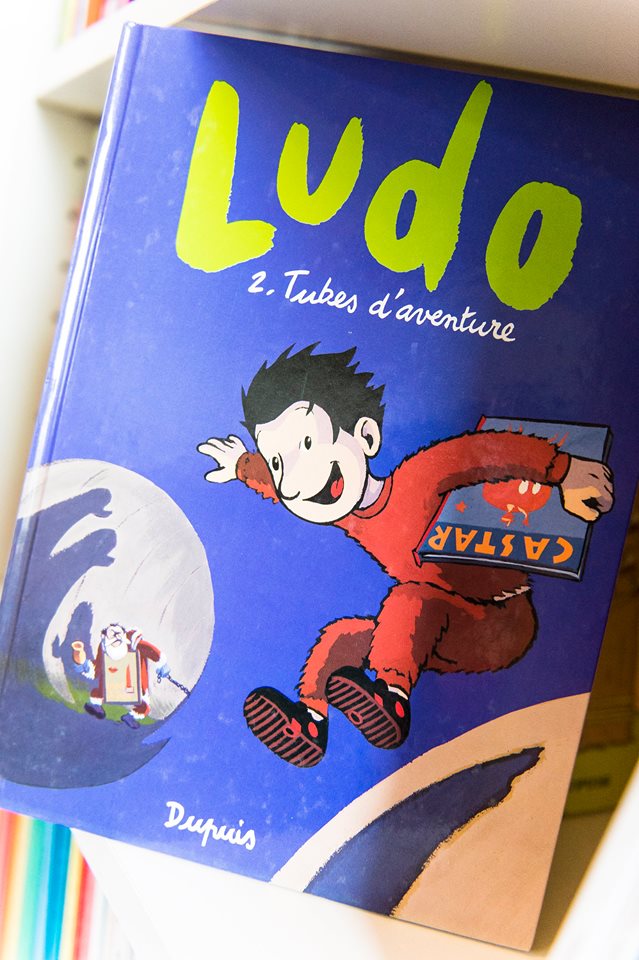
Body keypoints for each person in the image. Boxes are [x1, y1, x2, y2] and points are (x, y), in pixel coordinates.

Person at [198, 344, 614, 767]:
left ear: (366, 437)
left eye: (307, 444)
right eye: (280, 463)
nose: (294, 483)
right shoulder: (350, 514)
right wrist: (244, 466)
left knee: (409, 599)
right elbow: (282, 488)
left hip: (501, 621)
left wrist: (562, 470)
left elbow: (485, 452)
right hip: (432, 631)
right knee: (343, 636)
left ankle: (392, 696)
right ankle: (309, 718)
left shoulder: (418, 478)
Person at [73, 623, 170, 729]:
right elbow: (97, 668)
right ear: (105, 637)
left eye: (118, 633)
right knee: (100, 692)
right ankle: (96, 707)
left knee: (143, 706)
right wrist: (84, 666)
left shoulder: (134, 644)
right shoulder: (104, 649)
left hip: (135, 687)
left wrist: (162, 663)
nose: (116, 637)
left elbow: (150, 651)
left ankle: (130, 717)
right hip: (110, 686)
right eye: (112, 634)